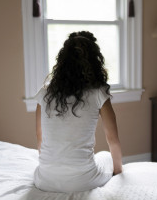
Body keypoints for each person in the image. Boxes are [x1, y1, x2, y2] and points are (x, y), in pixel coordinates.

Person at [33, 31, 122, 193]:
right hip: (82, 182)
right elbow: (112, 140)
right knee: (105, 156)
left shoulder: (44, 93)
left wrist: (51, 168)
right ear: (95, 62)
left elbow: (39, 136)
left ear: (62, 61)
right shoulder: (98, 93)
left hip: (44, 180)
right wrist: (118, 173)